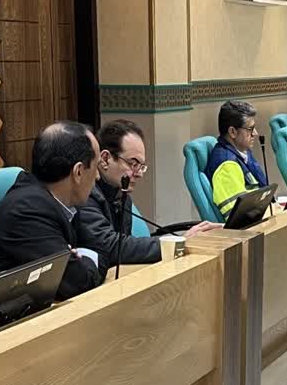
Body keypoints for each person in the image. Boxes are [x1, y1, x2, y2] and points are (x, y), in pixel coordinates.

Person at [0, 121, 103, 300]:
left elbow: (98, 249)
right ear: (78, 172)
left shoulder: (61, 203)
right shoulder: (28, 210)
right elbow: (78, 282)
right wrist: (88, 260)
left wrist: (80, 259)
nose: (98, 176)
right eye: (96, 167)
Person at [78, 119, 218, 281]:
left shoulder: (119, 192)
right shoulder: (85, 194)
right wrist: (178, 242)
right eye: (133, 164)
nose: (139, 173)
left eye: (141, 166)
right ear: (105, 159)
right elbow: (110, 247)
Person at [206, 100, 268, 218]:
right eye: (250, 129)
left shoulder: (243, 153)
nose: (255, 133)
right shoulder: (227, 166)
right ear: (233, 132)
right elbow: (240, 217)